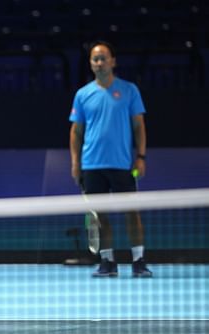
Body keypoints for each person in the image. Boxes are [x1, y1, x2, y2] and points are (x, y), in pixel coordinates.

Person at [69, 40, 152, 278]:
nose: (99, 62)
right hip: (91, 165)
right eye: (95, 59)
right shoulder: (83, 94)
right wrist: (76, 163)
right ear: (91, 64)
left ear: (113, 61)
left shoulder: (129, 90)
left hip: (122, 164)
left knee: (132, 213)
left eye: (103, 58)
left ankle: (138, 260)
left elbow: (139, 126)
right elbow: (76, 131)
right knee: (99, 216)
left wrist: (141, 156)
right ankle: (107, 262)